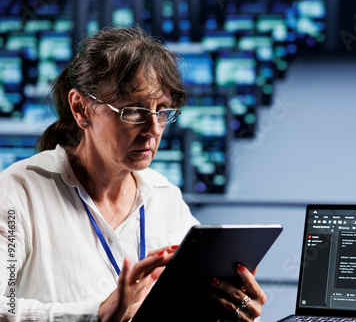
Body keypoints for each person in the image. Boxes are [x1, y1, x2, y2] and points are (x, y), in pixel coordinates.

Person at [0, 25, 266, 321]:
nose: (153, 130)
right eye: (133, 111)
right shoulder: (16, 193)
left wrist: (230, 309)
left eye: (162, 110)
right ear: (81, 109)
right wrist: (97, 315)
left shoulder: (164, 197)